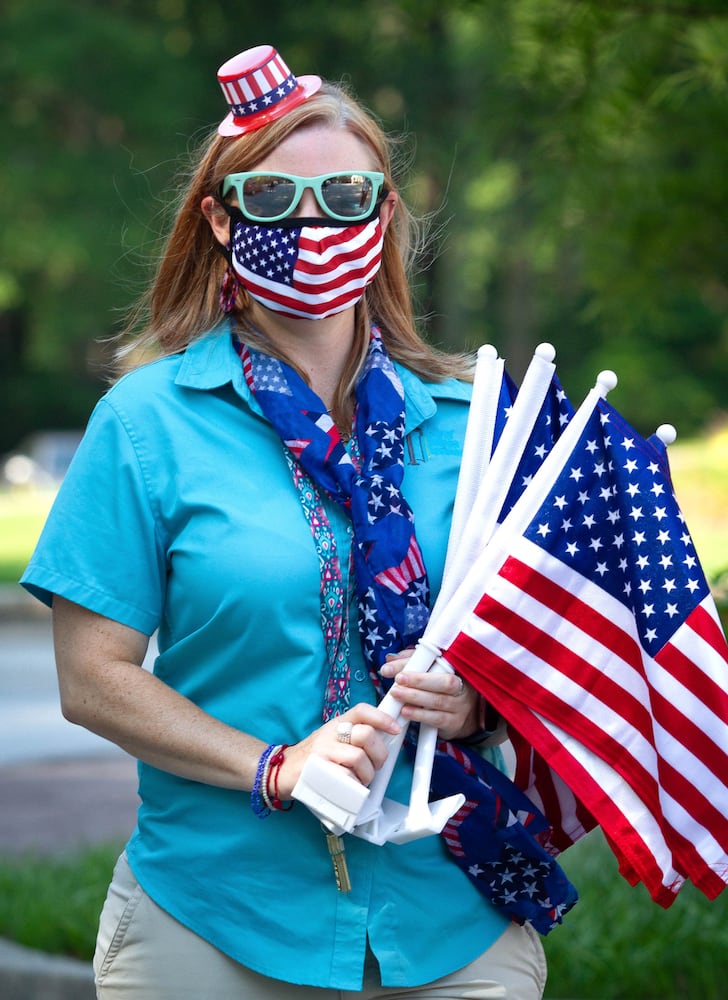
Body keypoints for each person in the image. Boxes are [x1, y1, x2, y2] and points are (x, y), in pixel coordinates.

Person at [22, 44, 548, 999]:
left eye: (346, 198)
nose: (312, 226)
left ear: (384, 214)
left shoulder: (479, 427)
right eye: (270, 200)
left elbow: (548, 639)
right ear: (221, 220)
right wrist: (276, 766)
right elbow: (92, 679)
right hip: (215, 917)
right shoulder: (146, 423)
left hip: (451, 920)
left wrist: (480, 707)